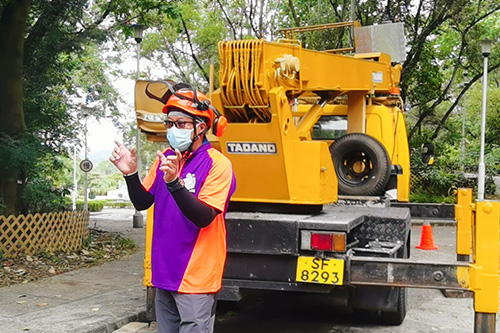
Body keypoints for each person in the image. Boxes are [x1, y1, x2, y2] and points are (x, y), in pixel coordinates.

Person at [110, 85, 236, 333]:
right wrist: (130, 174)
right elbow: (143, 202)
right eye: (169, 124)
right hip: (164, 271)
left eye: (181, 123)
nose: (172, 130)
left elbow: (203, 217)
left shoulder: (218, 165)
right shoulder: (165, 158)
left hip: (196, 276)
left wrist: (175, 183)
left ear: (200, 127)